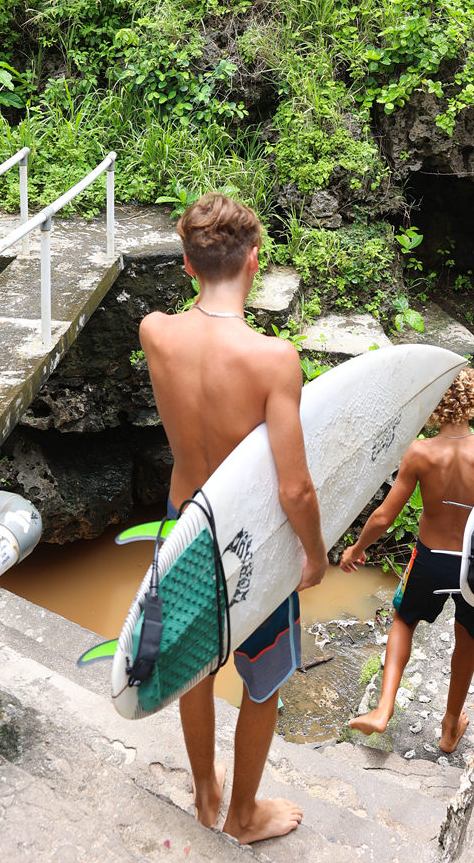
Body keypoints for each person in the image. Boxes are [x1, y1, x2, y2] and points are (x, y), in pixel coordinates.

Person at [140, 192, 328, 843]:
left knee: (195, 661)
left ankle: (204, 790)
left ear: (186, 261)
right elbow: (296, 487)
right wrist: (316, 553)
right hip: (250, 539)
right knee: (264, 674)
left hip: (184, 521)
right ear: (255, 260)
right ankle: (244, 814)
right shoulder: (273, 359)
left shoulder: (154, 331)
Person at [339, 367, 474, 752]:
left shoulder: (420, 452)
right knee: (467, 638)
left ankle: (383, 709)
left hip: (429, 560)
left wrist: (357, 550)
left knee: (405, 621)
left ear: (436, 404)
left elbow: (383, 517)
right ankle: (449, 726)